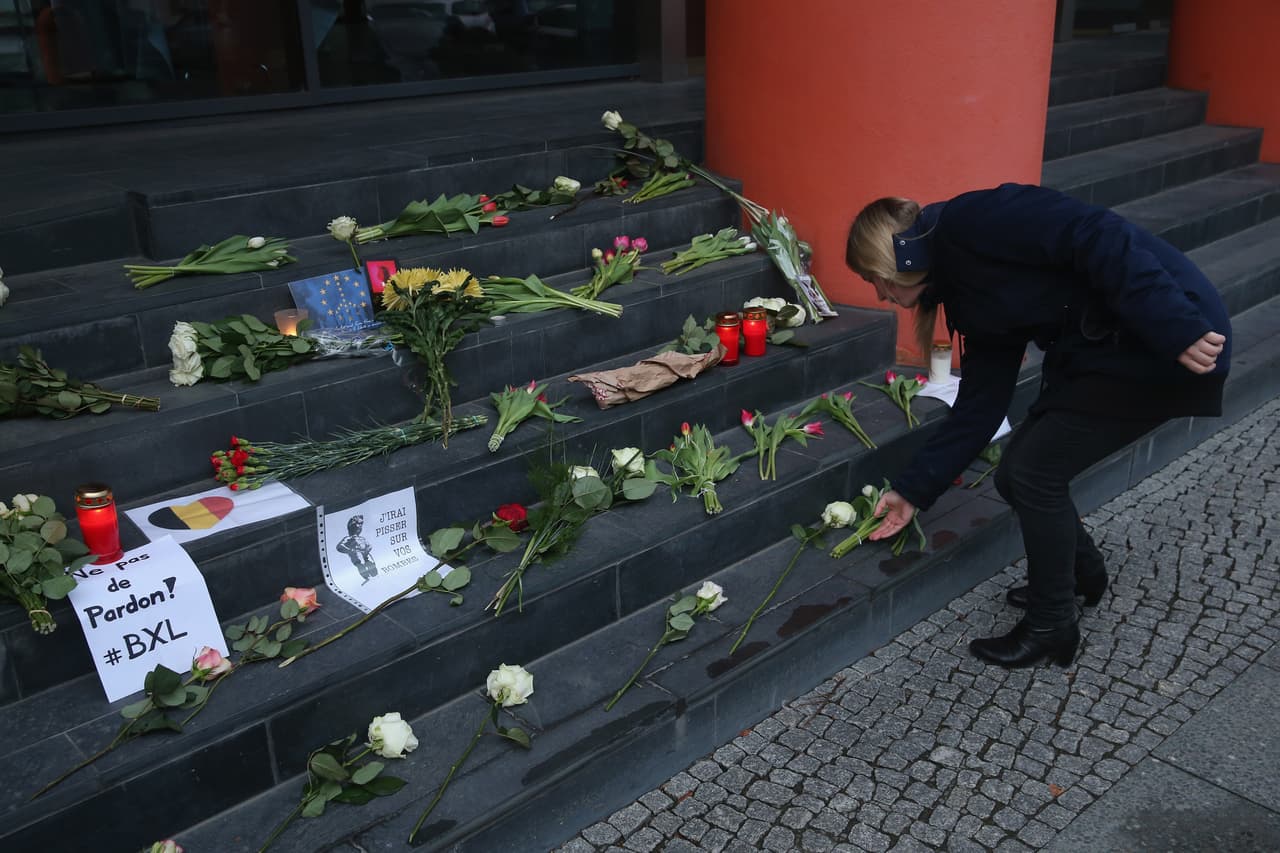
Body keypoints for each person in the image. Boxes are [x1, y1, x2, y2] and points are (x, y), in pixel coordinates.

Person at [845, 182, 1230, 669]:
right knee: (1016, 473)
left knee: (1032, 472)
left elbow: (1099, 232)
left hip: (1168, 339)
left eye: (875, 278)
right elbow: (981, 407)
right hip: (1103, 353)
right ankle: (1082, 576)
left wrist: (1173, 325)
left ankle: (1053, 625)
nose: (879, 294)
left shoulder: (975, 221)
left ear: (898, 258)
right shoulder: (964, 292)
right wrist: (912, 491)